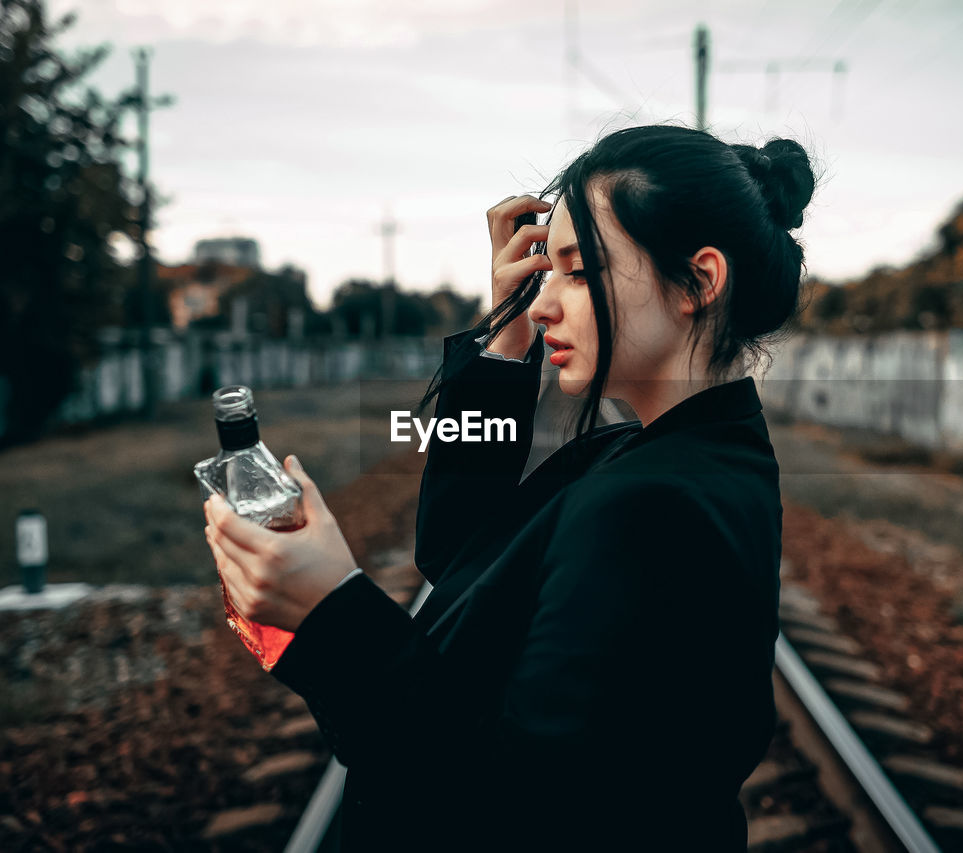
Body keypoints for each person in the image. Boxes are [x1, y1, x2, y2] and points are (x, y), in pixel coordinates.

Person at [204, 123, 817, 852]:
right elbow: (461, 550)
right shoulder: (673, 452)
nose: (542, 304)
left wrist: (331, 612)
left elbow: (508, 806)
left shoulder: (651, 501)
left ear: (700, 282)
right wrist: (503, 344)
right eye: (544, 273)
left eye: (580, 272)